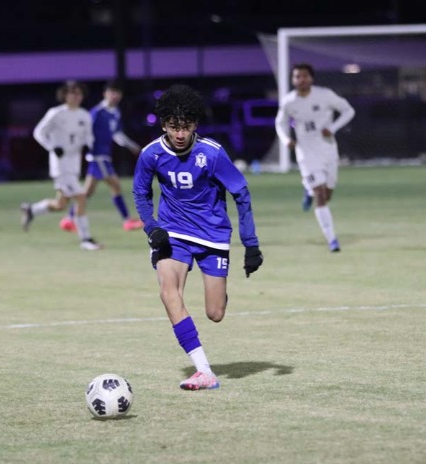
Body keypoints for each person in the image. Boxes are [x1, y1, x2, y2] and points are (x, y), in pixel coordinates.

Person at [132, 84, 264, 391]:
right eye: (174, 127)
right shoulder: (151, 154)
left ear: (196, 125)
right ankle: (204, 371)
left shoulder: (212, 153)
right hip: (173, 233)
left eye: (186, 126)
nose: (180, 134)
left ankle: (219, 291)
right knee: (168, 292)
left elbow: (241, 193)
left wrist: (251, 244)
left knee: (215, 313)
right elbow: (141, 193)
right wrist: (152, 227)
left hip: (211, 234)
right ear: (163, 124)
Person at [275, 63, 355, 252]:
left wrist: (332, 128)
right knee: (320, 194)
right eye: (297, 76)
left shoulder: (325, 95)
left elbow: (348, 110)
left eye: (304, 76)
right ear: (293, 80)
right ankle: (332, 240)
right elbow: (280, 123)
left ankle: (308, 190)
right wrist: (286, 140)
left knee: (327, 194)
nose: (301, 80)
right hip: (305, 152)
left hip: (327, 149)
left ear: (311, 78)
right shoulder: (288, 101)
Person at [20, 80, 101, 251]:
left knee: (61, 204)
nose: (76, 96)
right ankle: (86, 239)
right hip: (60, 165)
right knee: (81, 197)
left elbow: (89, 137)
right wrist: (52, 147)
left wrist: (91, 148)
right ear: (65, 95)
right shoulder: (56, 113)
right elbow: (38, 132)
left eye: (79, 93)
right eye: (72, 93)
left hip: (74, 165)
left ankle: (31, 210)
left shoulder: (84, 115)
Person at [59, 80, 144, 233]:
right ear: (105, 94)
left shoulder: (115, 112)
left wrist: (132, 146)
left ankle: (69, 219)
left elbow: (117, 134)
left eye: (117, 93)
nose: (115, 95)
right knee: (115, 185)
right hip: (98, 156)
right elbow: (83, 130)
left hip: (104, 156)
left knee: (87, 192)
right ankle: (127, 221)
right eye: (112, 92)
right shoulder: (97, 112)